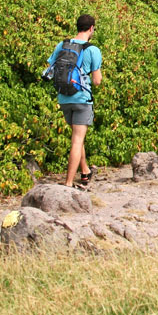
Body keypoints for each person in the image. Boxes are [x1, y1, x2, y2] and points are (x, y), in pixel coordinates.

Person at [47, 14, 103, 189]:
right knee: (77, 141)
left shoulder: (62, 45)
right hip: (82, 99)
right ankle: (69, 183)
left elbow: (51, 66)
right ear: (92, 28)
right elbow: (97, 81)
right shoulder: (92, 50)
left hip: (64, 98)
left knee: (78, 137)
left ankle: (85, 171)